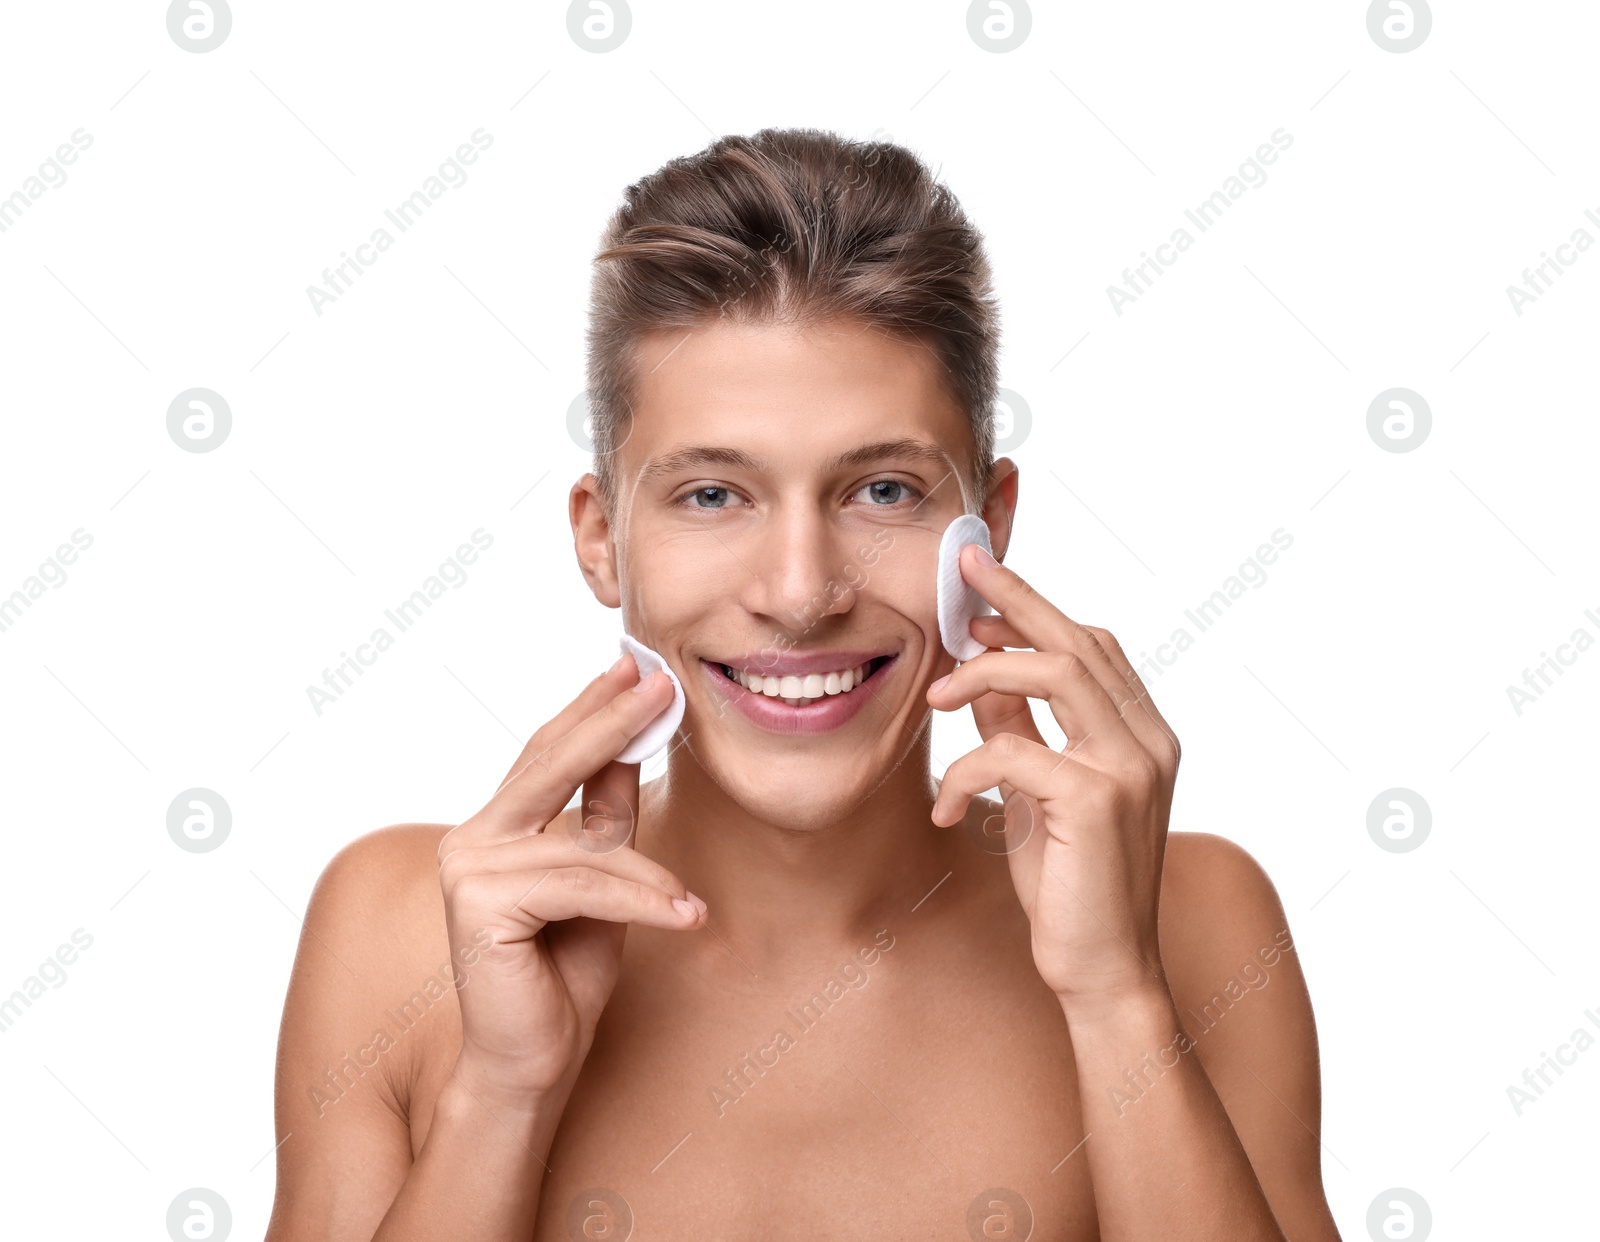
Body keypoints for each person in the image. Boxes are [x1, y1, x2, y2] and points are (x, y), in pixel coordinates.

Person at [265, 127, 1342, 1241]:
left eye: (880, 491)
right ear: (601, 541)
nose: (798, 592)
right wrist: (498, 1095)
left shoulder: (1194, 923)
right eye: (711, 497)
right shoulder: (402, 927)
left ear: (991, 527)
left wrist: (1118, 1000)